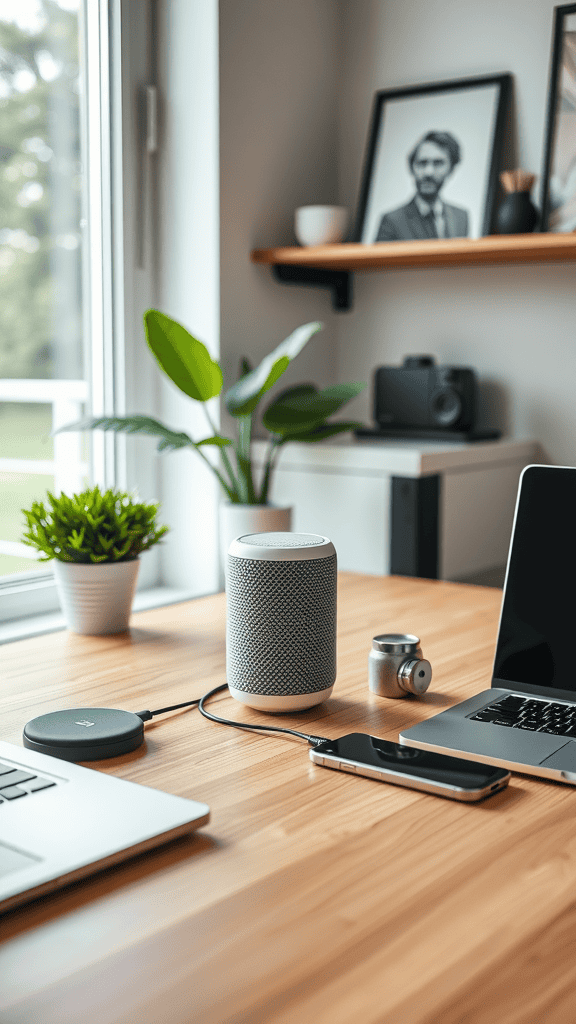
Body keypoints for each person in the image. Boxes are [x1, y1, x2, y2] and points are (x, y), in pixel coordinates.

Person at [375, 131, 469, 242]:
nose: (428, 172)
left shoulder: (461, 217)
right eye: (422, 163)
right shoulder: (392, 221)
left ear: (451, 169)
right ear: (412, 168)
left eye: (438, 163)